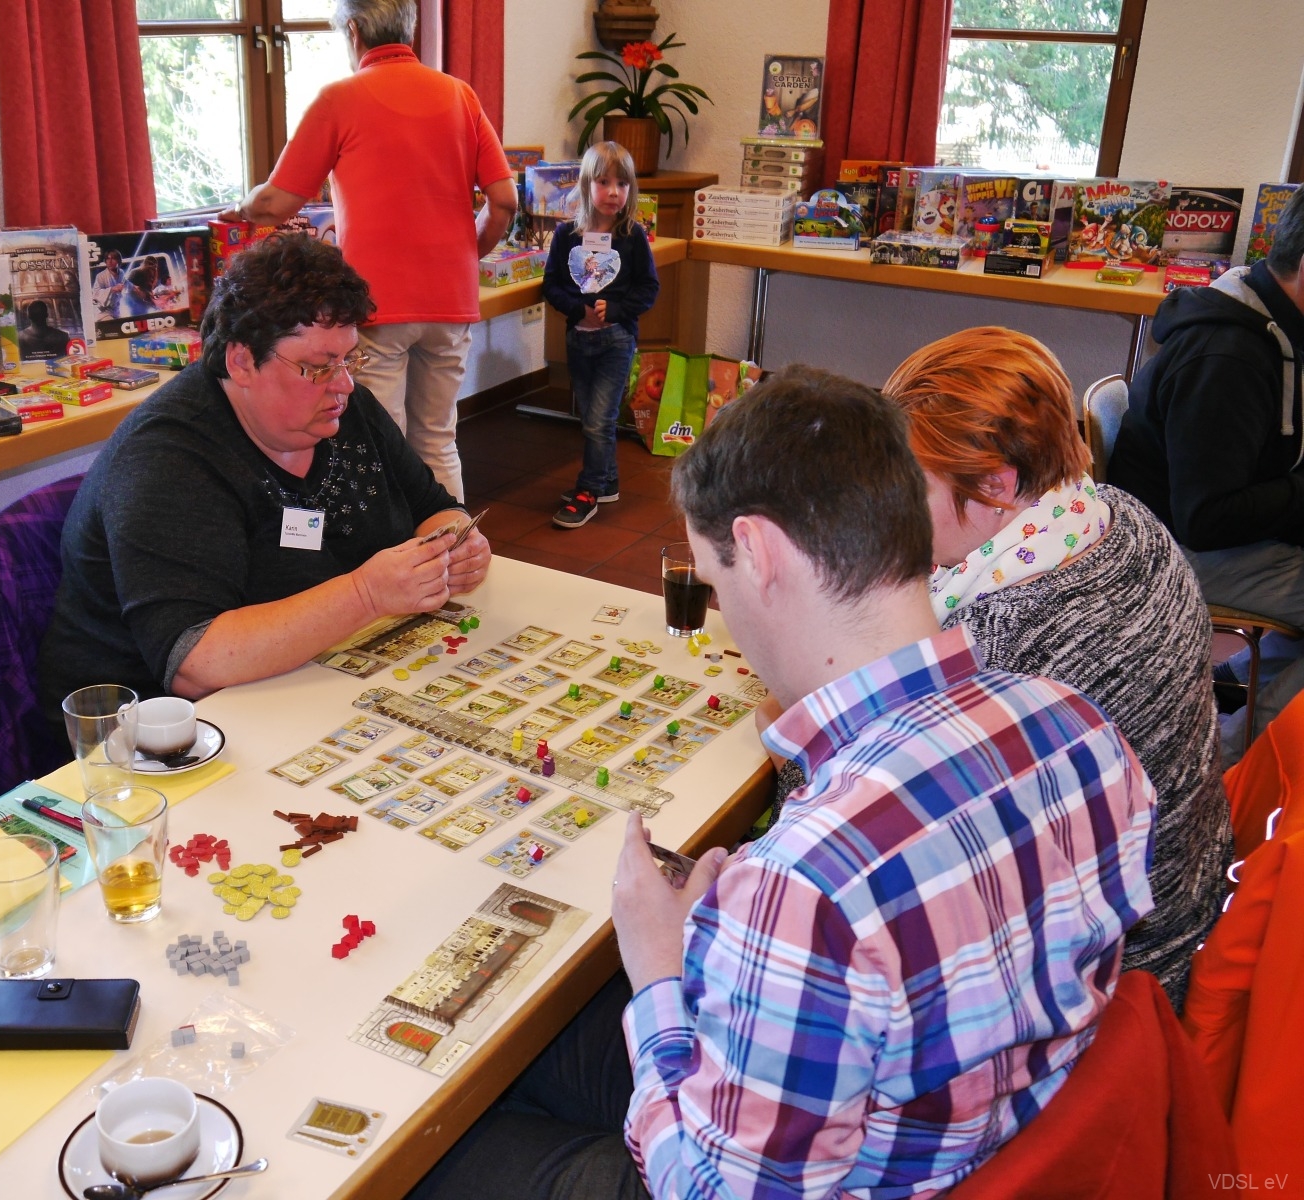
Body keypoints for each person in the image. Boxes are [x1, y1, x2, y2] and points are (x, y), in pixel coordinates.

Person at [410, 368, 1155, 1200]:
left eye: (714, 578)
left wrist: (658, 970)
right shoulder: (1079, 726)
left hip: (834, 1179)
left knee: (435, 1151)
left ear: (758, 551)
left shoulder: (805, 885)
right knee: (496, 1054)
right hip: (997, 1131)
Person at [873, 326, 1227, 1008]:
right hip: (1188, 904)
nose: (893, 506)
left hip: (1111, 984)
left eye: (909, 483)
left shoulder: (995, 644)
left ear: (996, 485)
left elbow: (881, 838)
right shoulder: (1121, 516)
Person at [38, 235, 491, 720]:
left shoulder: (343, 407)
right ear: (241, 362)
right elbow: (193, 662)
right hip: (157, 724)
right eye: (318, 367)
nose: (344, 384)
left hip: (311, 676)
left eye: (350, 358)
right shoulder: (167, 456)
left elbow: (430, 506)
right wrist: (366, 594)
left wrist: (454, 543)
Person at [225, 0, 517, 502]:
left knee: (381, 442)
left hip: (377, 305)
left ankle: (395, 549)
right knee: (438, 439)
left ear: (355, 31)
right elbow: (505, 200)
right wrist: (470, 252)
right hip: (451, 301)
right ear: (408, 29)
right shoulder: (460, 95)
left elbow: (276, 203)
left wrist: (240, 207)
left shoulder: (340, 98)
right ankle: (454, 543)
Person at [1110, 186, 1304, 755]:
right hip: (1173, 547)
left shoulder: (1272, 316)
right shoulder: (1229, 357)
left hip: (1202, 532)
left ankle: (1239, 686)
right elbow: (1207, 517)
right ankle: (1231, 762)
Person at [541, 141, 659, 529]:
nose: (613, 192)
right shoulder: (566, 235)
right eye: (604, 182)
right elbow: (552, 285)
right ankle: (607, 481)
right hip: (579, 340)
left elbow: (649, 288)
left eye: (622, 184)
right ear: (586, 185)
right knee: (592, 418)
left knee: (598, 421)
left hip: (616, 342)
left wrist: (619, 310)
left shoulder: (633, 236)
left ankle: (588, 491)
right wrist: (578, 309)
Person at [92, 249, 127, 319]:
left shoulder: (121, 272)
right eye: (108, 259)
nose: (110, 262)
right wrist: (112, 289)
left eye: (113, 258)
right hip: (103, 312)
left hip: (117, 311)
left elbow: (124, 287)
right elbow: (96, 294)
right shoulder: (100, 276)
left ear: (119, 261)